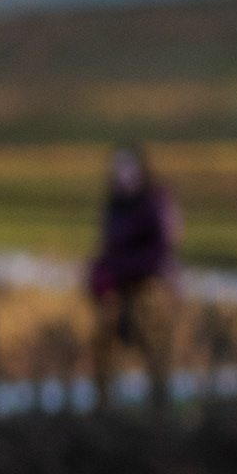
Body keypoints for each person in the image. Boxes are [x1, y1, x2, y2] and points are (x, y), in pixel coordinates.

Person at [87, 143, 182, 408]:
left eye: (129, 166)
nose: (123, 173)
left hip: (149, 287)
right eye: (119, 166)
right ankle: (104, 410)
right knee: (103, 347)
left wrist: (121, 266)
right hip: (120, 289)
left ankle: (160, 411)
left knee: (154, 351)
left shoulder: (155, 201)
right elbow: (108, 248)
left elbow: (162, 249)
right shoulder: (115, 204)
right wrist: (100, 276)